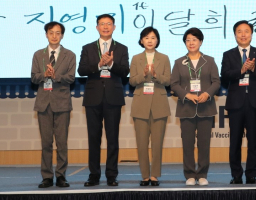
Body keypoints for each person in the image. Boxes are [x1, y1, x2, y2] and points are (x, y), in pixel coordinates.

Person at [78, 14, 129, 187]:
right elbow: (81, 70)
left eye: (109, 24)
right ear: (97, 27)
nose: (105, 27)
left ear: (114, 27)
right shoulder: (88, 48)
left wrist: (112, 64)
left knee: (112, 139)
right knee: (94, 138)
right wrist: (99, 65)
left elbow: (125, 71)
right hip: (93, 98)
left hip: (113, 97)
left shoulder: (121, 48)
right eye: (102, 24)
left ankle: (111, 175)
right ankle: (94, 175)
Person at [221, 20, 256, 185]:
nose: (243, 35)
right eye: (239, 32)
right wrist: (241, 70)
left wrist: (254, 68)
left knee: (253, 140)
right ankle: (236, 175)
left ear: (251, 34)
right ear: (235, 35)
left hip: (254, 102)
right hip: (236, 102)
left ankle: (251, 174)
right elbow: (224, 76)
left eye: (246, 31)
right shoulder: (228, 54)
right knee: (235, 141)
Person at [170, 27, 220, 186]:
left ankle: (203, 174)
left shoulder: (209, 61)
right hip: (186, 108)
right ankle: (190, 174)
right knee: (187, 144)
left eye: (194, 40)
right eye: (188, 40)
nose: (191, 43)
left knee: (204, 144)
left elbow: (216, 82)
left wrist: (207, 94)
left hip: (206, 108)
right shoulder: (179, 62)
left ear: (201, 42)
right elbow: (174, 84)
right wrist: (186, 95)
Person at [30, 21, 76, 188]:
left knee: (62, 143)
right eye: (51, 33)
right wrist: (44, 74)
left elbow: (71, 78)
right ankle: (47, 177)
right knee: (46, 143)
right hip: (44, 104)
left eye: (58, 33)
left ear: (62, 35)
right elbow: (34, 78)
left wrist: (56, 76)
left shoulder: (69, 55)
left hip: (62, 103)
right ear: (46, 35)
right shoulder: (38, 55)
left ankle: (61, 176)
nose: (54, 36)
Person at [129, 27, 171, 187]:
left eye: (153, 37)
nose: (150, 40)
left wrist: (155, 75)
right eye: (146, 38)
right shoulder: (136, 58)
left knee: (157, 144)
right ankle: (145, 176)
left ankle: (154, 175)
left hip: (159, 104)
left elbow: (168, 80)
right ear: (141, 40)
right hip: (140, 105)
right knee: (141, 144)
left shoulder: (164, 58)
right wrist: (143, 74)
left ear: (157, 40)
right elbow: (132, 81)